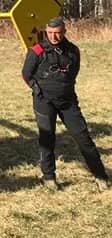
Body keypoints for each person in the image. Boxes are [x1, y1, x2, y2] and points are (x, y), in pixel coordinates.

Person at [21, 17, 109, 191]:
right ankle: (49, 178)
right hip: (44, 102)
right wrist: (37, 89)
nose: (54, 36)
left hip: (68, 102)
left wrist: (64, 87)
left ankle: (100, 175)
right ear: (46, 32)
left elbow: (74, 71)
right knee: (47, 139)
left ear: (64, 32)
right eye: (51, 33)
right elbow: (26, 74)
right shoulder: (37, 51)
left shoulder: (73, 51)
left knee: (83, 137)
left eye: (58, 33)